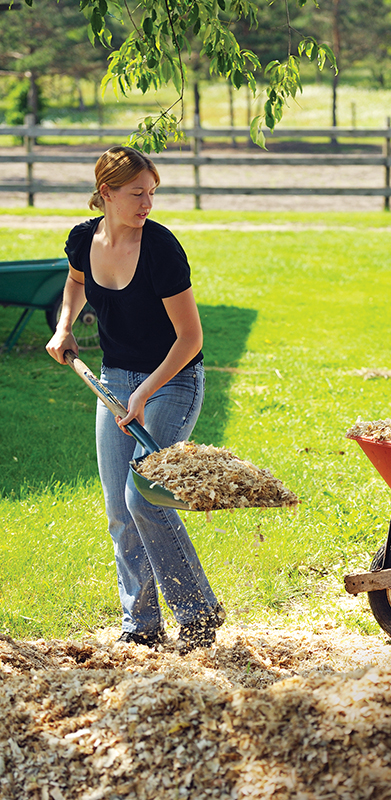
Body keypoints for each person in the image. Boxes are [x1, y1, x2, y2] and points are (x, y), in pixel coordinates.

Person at [46, 145, 224, 652]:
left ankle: (199, 613)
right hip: (113, 380)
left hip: (172, 381)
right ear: (106, 194)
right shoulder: (83, 241)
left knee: (143, 494)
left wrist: (145, 393)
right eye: (136, 193)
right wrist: (64, 327)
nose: (148, 203)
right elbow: (76, 283)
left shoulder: (162, 249)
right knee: (119, 509)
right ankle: (141, 626)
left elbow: (190, 338)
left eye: (152, 192)